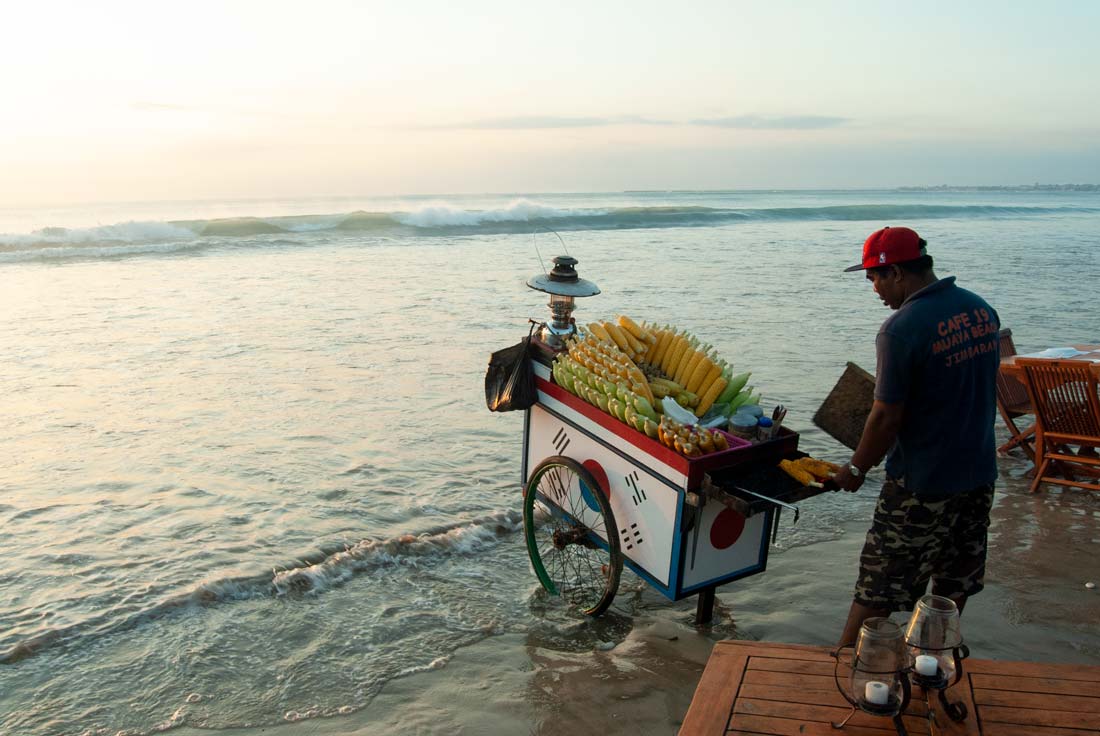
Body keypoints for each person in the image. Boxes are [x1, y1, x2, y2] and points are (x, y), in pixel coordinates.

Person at [832, 226, 1000, 648]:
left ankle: (840, 671)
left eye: (874, 278)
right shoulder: (981, 310)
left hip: (922, 483)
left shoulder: (900, 329)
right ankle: (931, 661)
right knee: (953, 581)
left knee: (879, 586)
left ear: (898, 273)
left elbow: (887, 416)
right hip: (978, 473)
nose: (874, 290)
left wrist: (856, 467)